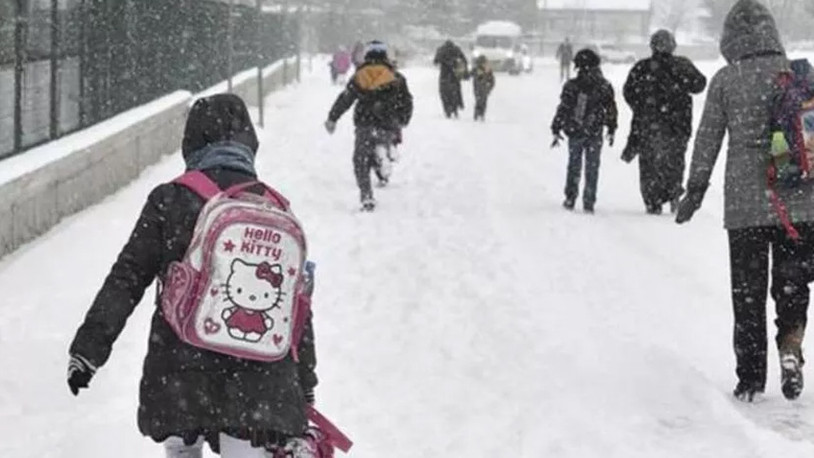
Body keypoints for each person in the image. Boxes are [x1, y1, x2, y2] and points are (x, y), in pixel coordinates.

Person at [66, 94, 319, 457]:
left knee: (183, 449)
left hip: (180, 371)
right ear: (249, 142)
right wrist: (303, 382)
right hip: (259, 382)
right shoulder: (274, 207)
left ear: (191, 141)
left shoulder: (170, 200)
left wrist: (88, 350)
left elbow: (128, 277)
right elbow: (296, 308)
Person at [676, 0, 812, 402]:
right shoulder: (798, 74)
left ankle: (751, 377)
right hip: (800, 202)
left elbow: (707, 140)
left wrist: (695, 189)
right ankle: (791, 346)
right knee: (792, 285)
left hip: (746, 205)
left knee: (748, 292)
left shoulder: (726, 80)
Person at [623, 30, 707, 215]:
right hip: (678, 126)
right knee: (675, 162)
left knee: (649, 164)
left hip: (648, 126)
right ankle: (673, 192)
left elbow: (628, 92)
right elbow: (699, 84)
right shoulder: (682, 65)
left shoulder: (642, 68)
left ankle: (652, 200)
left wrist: (642, 108)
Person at [324, 41, 414, 211]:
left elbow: (345, 99)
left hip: (365, 123)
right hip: (388, 123)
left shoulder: (360, 76)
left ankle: (366, 196)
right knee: (384, 141)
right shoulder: (397, 77)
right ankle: (387, 152)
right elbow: (407, 101)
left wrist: (332, 118)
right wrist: (403, 119)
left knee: (361, 160)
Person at [551, 49, 617, 214]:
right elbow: (611, 108)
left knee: (574, 165)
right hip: (595, 131)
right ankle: (589, 200)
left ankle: (570, 197)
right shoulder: (604, 86)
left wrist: (556, 126)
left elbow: (564, 108)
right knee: (592, 167)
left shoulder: (572, 85)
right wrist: (611, 127)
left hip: (575, 130)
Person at [434, 40, 468, 118]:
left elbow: (435, 61)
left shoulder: (441, 50)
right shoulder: (456, 49)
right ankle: (455, 107)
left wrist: (443, 61)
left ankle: (447, 109)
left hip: (444, 74)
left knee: (444, 92)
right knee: (455, 91)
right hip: (455, 74)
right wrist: (464, 71)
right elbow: (464, 60)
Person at [472, 55, 496, 121]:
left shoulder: (487, 70)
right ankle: (478, 113)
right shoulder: (477, 69)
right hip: (479, 88)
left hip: (484, 88)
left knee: (483, 101)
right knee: (479, 100)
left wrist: (490, 87)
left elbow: (492, 80)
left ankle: (481, 113)